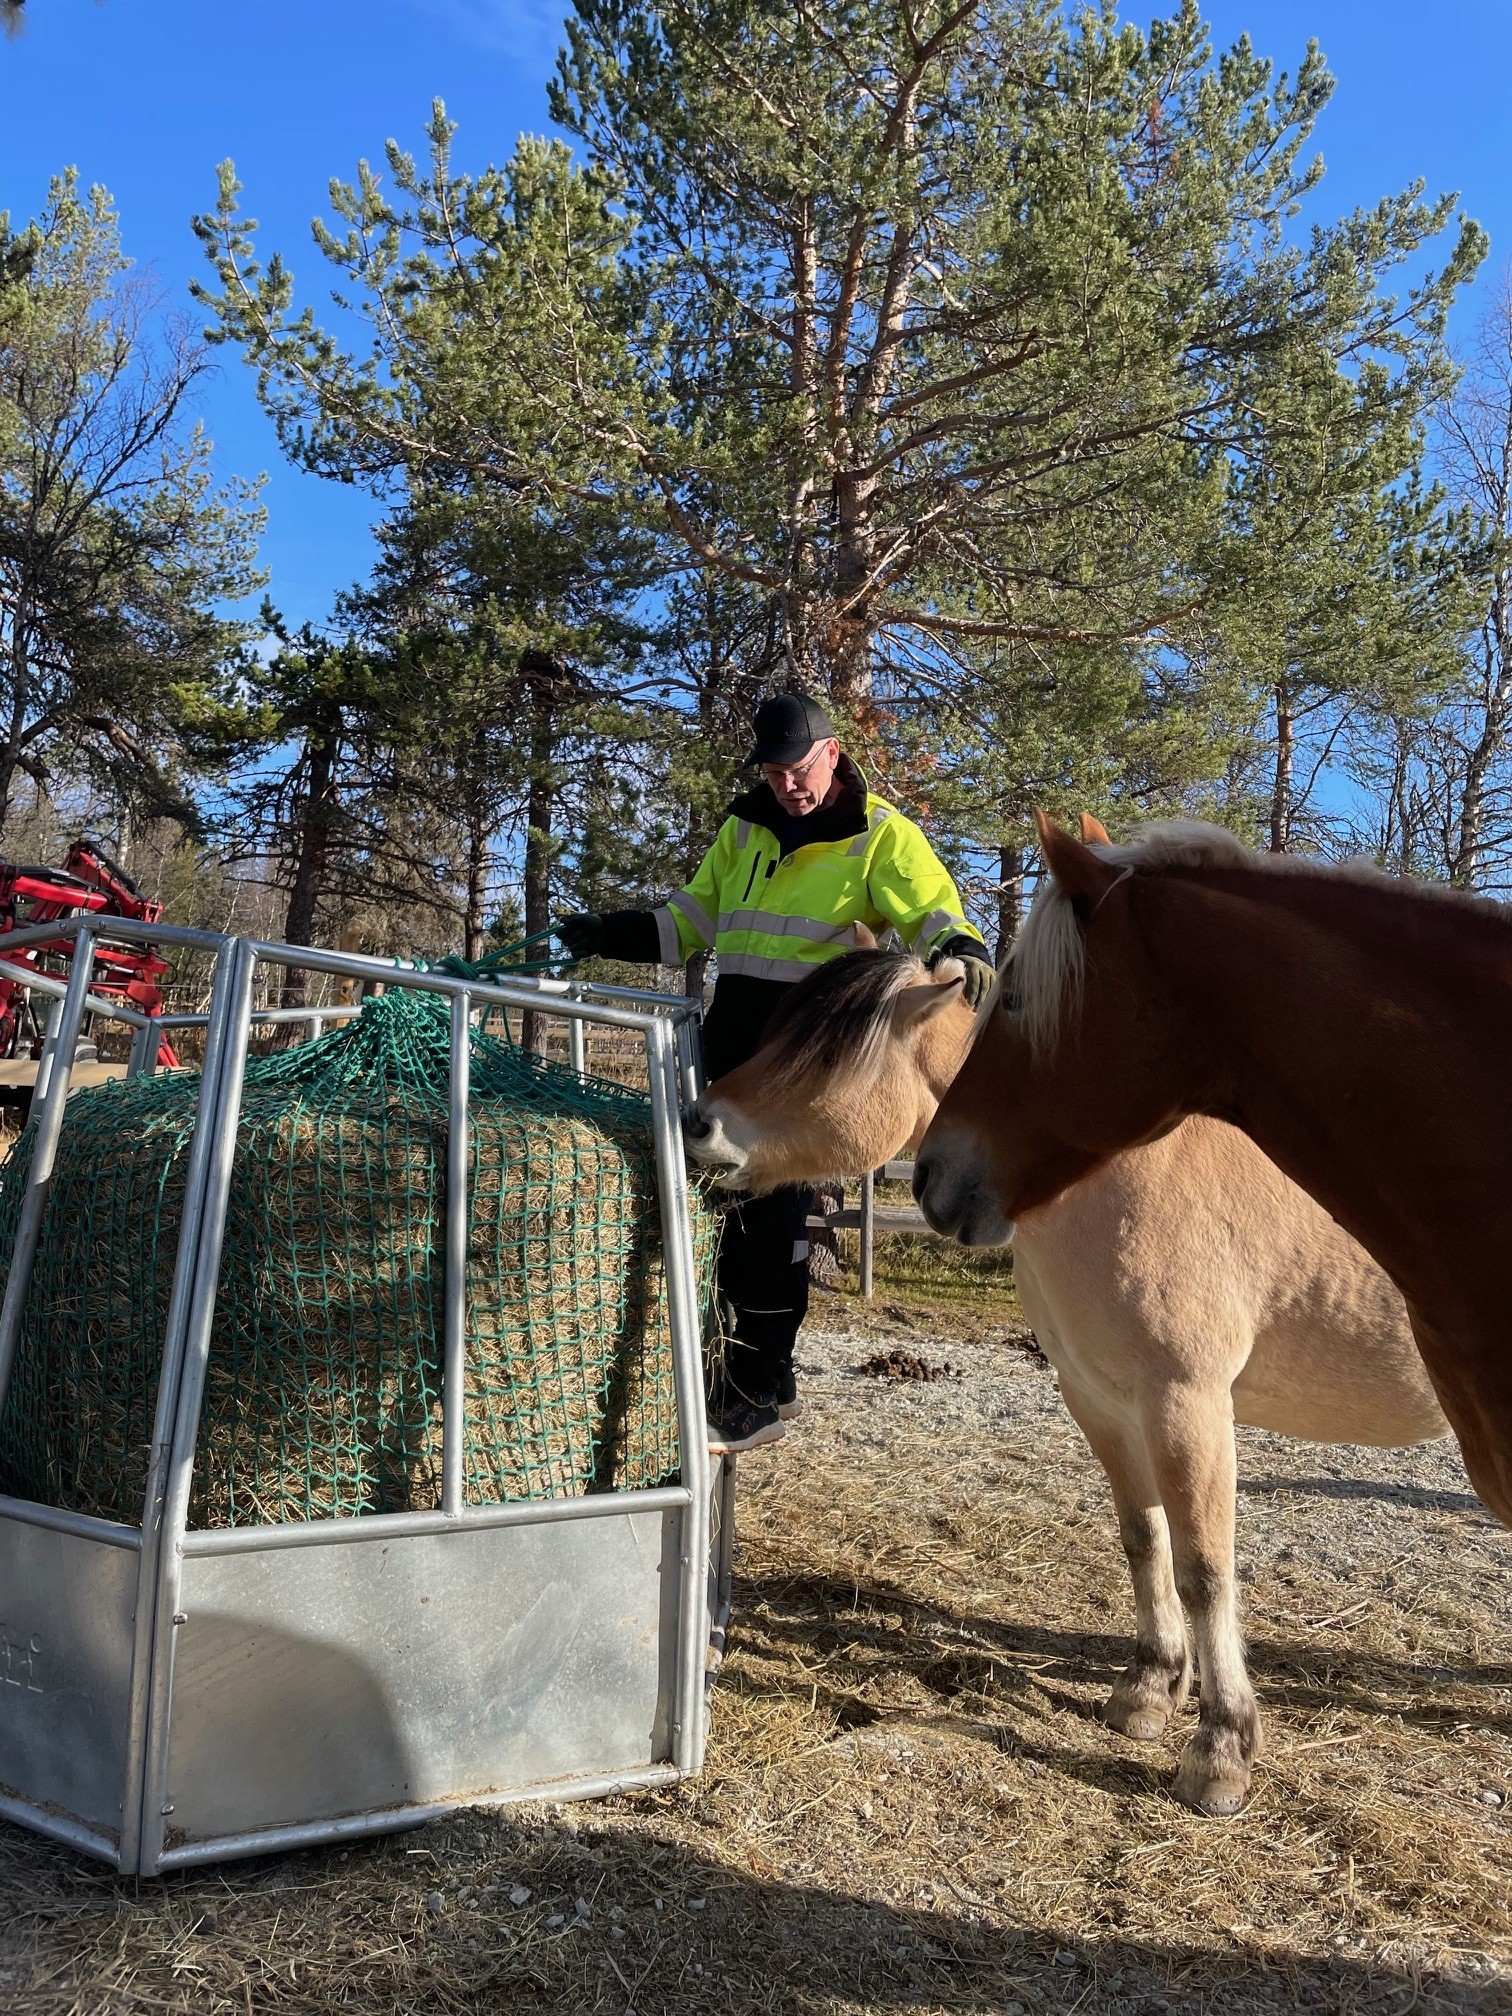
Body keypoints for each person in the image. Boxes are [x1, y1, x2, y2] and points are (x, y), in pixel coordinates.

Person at [554, 693, 993, 1454]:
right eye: (773, 772)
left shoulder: (880, 834)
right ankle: (722, 1379)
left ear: (832, 753)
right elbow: (687, 924)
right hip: (731, 1045)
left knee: (770, 1224)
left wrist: (964, 947)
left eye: (800, 769)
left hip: (800, 1057)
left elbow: (933, 913)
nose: (788, 785)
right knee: (709, 1220)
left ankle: (757, 1391)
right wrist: (608, 932)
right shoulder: (743, 829)